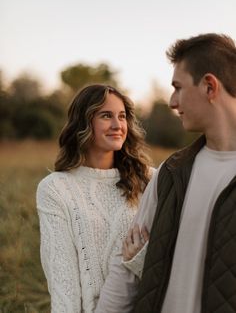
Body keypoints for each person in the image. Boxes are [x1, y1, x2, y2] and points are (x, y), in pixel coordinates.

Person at [95, 33, 236, 313]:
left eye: (178, 87)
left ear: (209, 87)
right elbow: (125, 269)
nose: (172, 101)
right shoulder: (170, 173)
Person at [36, 84, 153, 313]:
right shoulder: (56, 189)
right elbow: (63, 281)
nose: (117, 125)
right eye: (106, 116)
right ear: (83, 122)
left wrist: (138, 261)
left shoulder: (150, 180)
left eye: (122, 116)